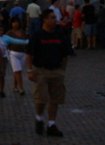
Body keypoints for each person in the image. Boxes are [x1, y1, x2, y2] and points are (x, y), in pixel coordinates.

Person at [26, 8, 72, 138]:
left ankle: (51, 124)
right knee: (41, 98)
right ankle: (39, 117)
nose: (55, 20)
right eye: (52, 18)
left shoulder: (59, 35)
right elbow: (29, 54)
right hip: (41, 71)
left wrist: (63, 69)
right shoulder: (37, 35)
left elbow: (65, 53)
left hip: (56, 71)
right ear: (44, 20)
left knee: (55, 99)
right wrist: (30, 70)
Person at [2, 16, 28, 94]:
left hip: (22, 53)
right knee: (18, 71)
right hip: (13, 53)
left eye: (17, 22)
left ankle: (15, 85)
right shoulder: (9, 33)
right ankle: (21, 88)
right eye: (14, 22)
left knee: (17, 71)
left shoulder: (23, 32)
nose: (15, 24)